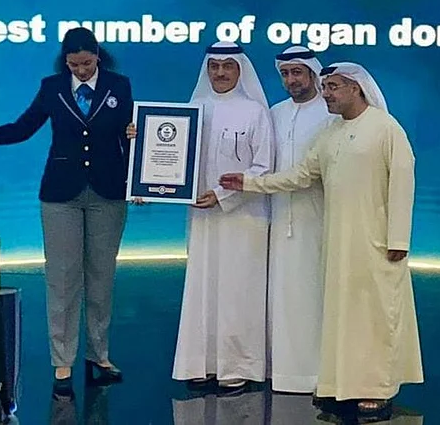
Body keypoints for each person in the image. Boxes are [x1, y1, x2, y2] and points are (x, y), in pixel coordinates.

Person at [220, 62, 423, 423]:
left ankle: (377, 390)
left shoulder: (386, 128)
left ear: (356, 88)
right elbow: (301, 175)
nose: (326, 94)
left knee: (376, 316)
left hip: (377, 244)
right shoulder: (330, 132)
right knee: (343, 316)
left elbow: (403, 184)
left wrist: (398, 239)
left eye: (333, 87)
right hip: (338, 242)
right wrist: (249, 183)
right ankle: (340, 385)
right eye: (325, 87)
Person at [0, 27, 133, 394]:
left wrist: (139, 173)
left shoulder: (119, 85)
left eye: (87, 63)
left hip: (109, 193)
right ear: (65, 61)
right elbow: (22, 129)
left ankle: (99, 355)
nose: (81, 70)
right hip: (60, 195)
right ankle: (62, 361)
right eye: (74, 64)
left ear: (98, 55)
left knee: (101, 278)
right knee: (62, 279)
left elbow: (131, 135)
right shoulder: (52, 87)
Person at [168, 41, 275, 393]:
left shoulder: (255, 112)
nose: (220, 73)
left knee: (237, 290)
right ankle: (200, 364)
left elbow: (263, 167)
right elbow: (169, 158)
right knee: (203, 287)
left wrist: (222, 195)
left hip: (244, 217)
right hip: (202, 216)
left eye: (228, 66)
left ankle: (237, 366)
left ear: (240, 70)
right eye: (214, 66)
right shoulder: (193, 110)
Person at [267, 46, 333, 394]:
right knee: (284, 296)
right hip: (280, 217)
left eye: (297, 73)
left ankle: (322, 374)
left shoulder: (331, 112)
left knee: (316, 295)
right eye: (285, 74)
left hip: (320, 217)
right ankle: (285, 373)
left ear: (312, 74)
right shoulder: (275, 113)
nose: (291, 80)